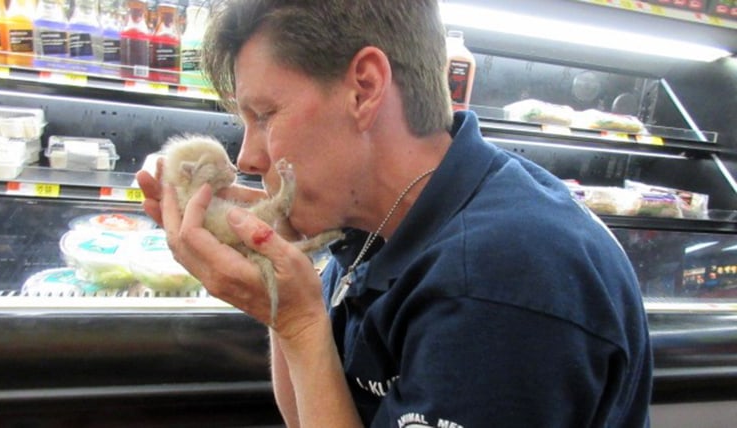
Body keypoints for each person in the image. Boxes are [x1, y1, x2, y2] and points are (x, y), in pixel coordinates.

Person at [136, 0, 653, 426]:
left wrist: (296, 321)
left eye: (265, 115)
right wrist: (279, 292)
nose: (247, 158)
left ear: (364, 87)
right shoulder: (373, 221)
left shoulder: (496, 282)